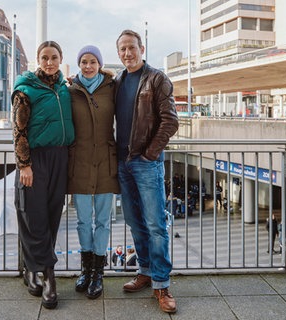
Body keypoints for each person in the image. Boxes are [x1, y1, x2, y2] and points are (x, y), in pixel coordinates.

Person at [115, 29, 179, 314]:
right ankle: (144, 271)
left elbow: (170, 121)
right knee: (133, 220)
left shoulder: (156, 79)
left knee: (155, 224)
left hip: (146, 162)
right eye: (122, 49)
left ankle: (162, 284)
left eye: (131, 48)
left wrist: (150, 153)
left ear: (141, 48)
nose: (127, 53)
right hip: (123, 162)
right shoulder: (117, 81)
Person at [11, 40, 74, 309]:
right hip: (35, 160)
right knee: (32, 215)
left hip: (60, 156)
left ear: (61, 59)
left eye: (54, 57)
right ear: (38, 59)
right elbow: (18, 130)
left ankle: (31, 268)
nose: (50, 62)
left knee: (51, 215)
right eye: (45, 57)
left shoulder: (64, 87)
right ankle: (48, 276)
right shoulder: (25, 90)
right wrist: (24, 164)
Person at [68, 45, 120, 299]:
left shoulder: (112, 88)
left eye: (92, 61)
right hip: (80, 163)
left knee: (102, 221)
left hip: (106, 163)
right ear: (79, 65)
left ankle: (98, 272)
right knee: (82, 221)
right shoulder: (70, 90)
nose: (88, 66)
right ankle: (86, 269)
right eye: (83, 62)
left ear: (99, 63)